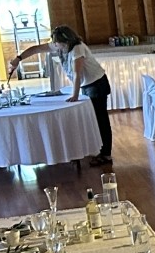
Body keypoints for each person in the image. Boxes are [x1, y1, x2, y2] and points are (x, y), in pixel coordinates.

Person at [10, 25, 113, 166]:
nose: (54, 45)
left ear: (66, 42)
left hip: (96, 84)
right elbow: (36, 49)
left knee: (101, 120)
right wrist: (18, 59)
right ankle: (99, 150)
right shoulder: (59, 46)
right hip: (87, 85)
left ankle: (106, 155)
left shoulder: (77, 48)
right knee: (95, 118)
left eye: (56, 43)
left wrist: (75, 95)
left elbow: (78, 74)